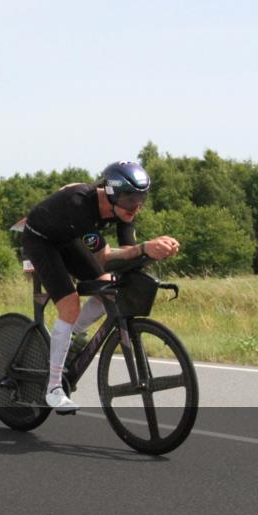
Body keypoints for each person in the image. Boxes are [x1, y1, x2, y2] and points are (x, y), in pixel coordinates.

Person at [21, 161, 180, 413]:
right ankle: (53, 389)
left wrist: (153, 250)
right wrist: (144, 248)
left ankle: (67, 337)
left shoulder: (125, 209)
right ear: (112, 193)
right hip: (41, 241)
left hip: (68, 238)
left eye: (141, 199)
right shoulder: (81, 206)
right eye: (130, 199)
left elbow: (127, 251)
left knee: (107, 288)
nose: (136, 206)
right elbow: (105, 257)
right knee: (70, 304)